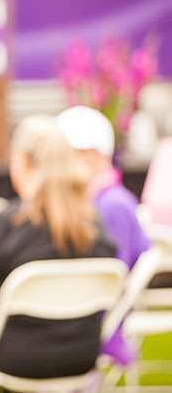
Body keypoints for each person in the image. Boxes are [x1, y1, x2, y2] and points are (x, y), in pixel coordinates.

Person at [0, 115, 117, 379]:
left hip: (13, 356)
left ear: (22, 162)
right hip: (80, 355)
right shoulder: (95, 226)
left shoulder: (10, 223)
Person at [57, 105, 151, 365]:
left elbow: (108, 282)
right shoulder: (97, 201)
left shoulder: (112, 205)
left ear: (96, 156)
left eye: (70, 155)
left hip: (93, 330)